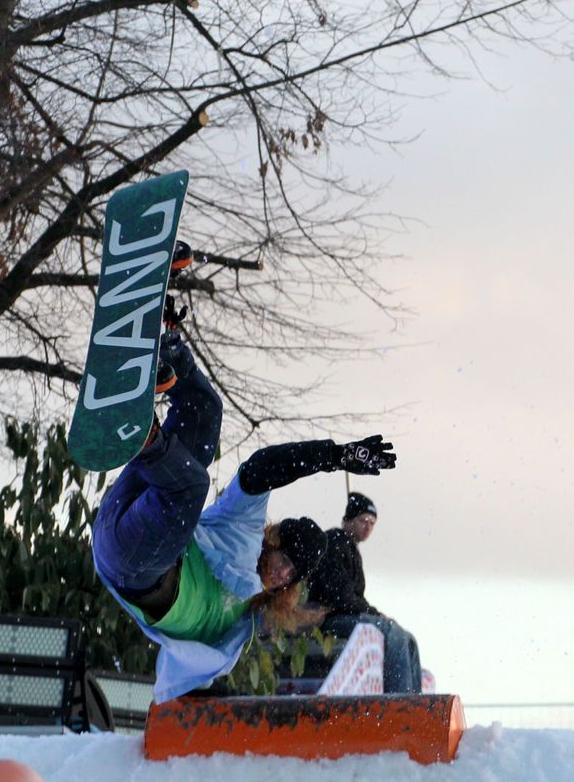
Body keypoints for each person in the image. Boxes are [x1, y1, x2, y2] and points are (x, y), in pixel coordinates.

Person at [91, 290, 397, 703]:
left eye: (291, 577)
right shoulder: (243, 527)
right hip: (138, 519)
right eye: (285, 560)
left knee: (188, 485)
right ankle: (166, 345)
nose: (282, 575)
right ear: (273, 542)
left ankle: (144, 434)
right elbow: (263, 466)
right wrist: (334, 455)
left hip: (128, 561)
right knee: (206, 414)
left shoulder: (248, 620)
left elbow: (337, 600)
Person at [307, 492, 422, 693]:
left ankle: (416, 700)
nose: (368, 527)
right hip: (329, 617)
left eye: (372, 523)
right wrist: (373, 613)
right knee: (392, 632)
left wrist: (371, 611)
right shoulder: (335, 543)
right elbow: (341, 597)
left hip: (344, 614)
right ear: (349, 520)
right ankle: (401, 700)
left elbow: (353, 599)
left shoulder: (350, 548)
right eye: (363, 520)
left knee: (407, 638)